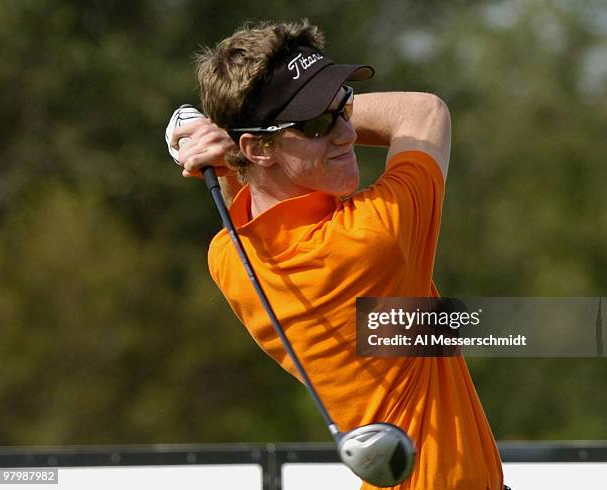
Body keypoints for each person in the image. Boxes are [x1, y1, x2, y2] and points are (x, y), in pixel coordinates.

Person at [170, 19, 505, 490]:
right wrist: (231, 146)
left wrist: (236, 148)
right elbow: (423, 113)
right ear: (258, 147)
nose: (346, 134)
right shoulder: (372, 238)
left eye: (343, 107)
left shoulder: (227, 259)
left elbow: (243, 210)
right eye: (317, 124)